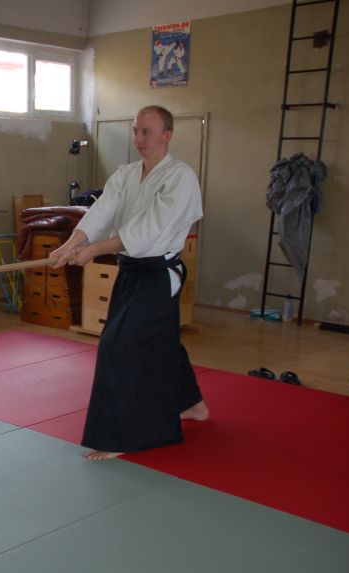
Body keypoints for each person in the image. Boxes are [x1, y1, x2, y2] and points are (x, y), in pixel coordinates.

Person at [49, 105, 209, 461]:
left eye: (146, 132)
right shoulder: (126, 174)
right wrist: (72, 243)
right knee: (162, 340)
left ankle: (124, 433)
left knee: (119, 345)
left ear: (167, 135)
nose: (138, 139)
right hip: (132, 270)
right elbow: (102, 210)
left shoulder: (180, 178)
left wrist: (93, 251)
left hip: (157, 274)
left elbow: (148, 230)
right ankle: (192, 403)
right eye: (136, 131)